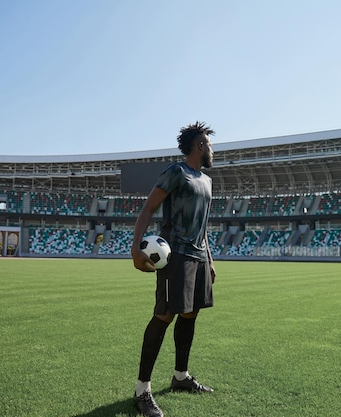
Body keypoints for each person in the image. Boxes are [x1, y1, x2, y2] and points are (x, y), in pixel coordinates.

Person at [131, 121, 217, 417]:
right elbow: (148, 209)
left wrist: (210, 259)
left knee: (190, 314)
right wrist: (135, 248)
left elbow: (204, 226)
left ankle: (181, 377)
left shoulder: (207, 180)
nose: (212, 149)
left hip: (198, 257)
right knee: (164, 316)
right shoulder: (176, 173)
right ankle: (142, 390)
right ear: (200, 145)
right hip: (175, 254)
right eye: (209, 143)